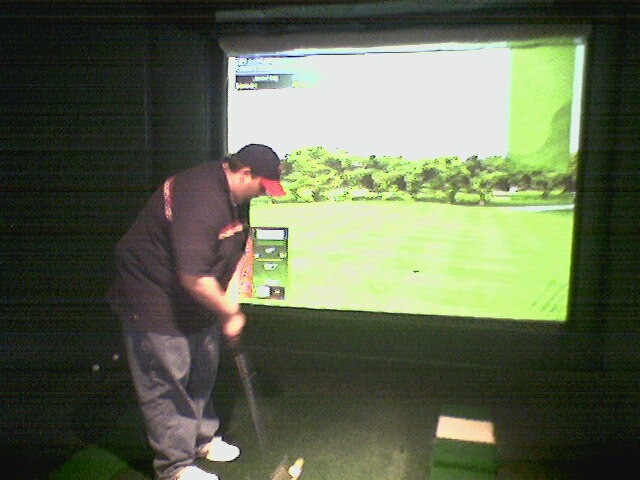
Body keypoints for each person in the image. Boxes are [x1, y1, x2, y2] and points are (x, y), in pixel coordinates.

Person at [107, 144, 286, 480]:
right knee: (168, 381)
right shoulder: (200, 197)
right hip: (152, 294)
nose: (264, 194)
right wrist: (229, 312)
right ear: (245, 173)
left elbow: (238, 251)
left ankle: (201, 439)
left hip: (195, 292)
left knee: (202, 368)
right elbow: (193, 277)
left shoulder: (238, 198)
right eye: (263, 186)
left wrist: (230, 303)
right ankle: (173, 467)